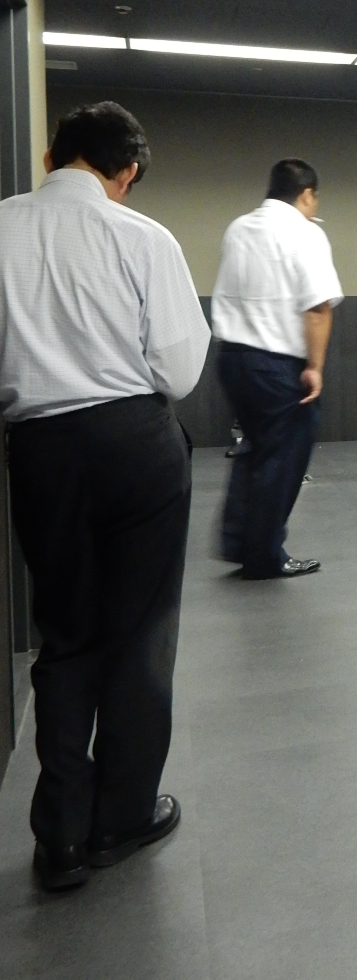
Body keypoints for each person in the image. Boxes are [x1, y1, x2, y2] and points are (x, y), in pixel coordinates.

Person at [0, 101, 210, 892]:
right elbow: (179, 371)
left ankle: (58, 837)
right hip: (134, 448)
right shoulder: (143, 237)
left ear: (51, 159)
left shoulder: (2, 226)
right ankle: (120, 818)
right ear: (125, 172)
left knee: (65, 636)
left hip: (40, 450)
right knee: (140, 632)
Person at [212, 158, 343, 579]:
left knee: (255, 448)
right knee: (283, 458)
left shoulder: (238, 228)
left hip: (233, 359)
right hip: (277, 366)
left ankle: (240, 543)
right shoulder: (306, 233)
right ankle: (266, 555)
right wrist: (315, 367)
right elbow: (318, 307)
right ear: (306, 194)